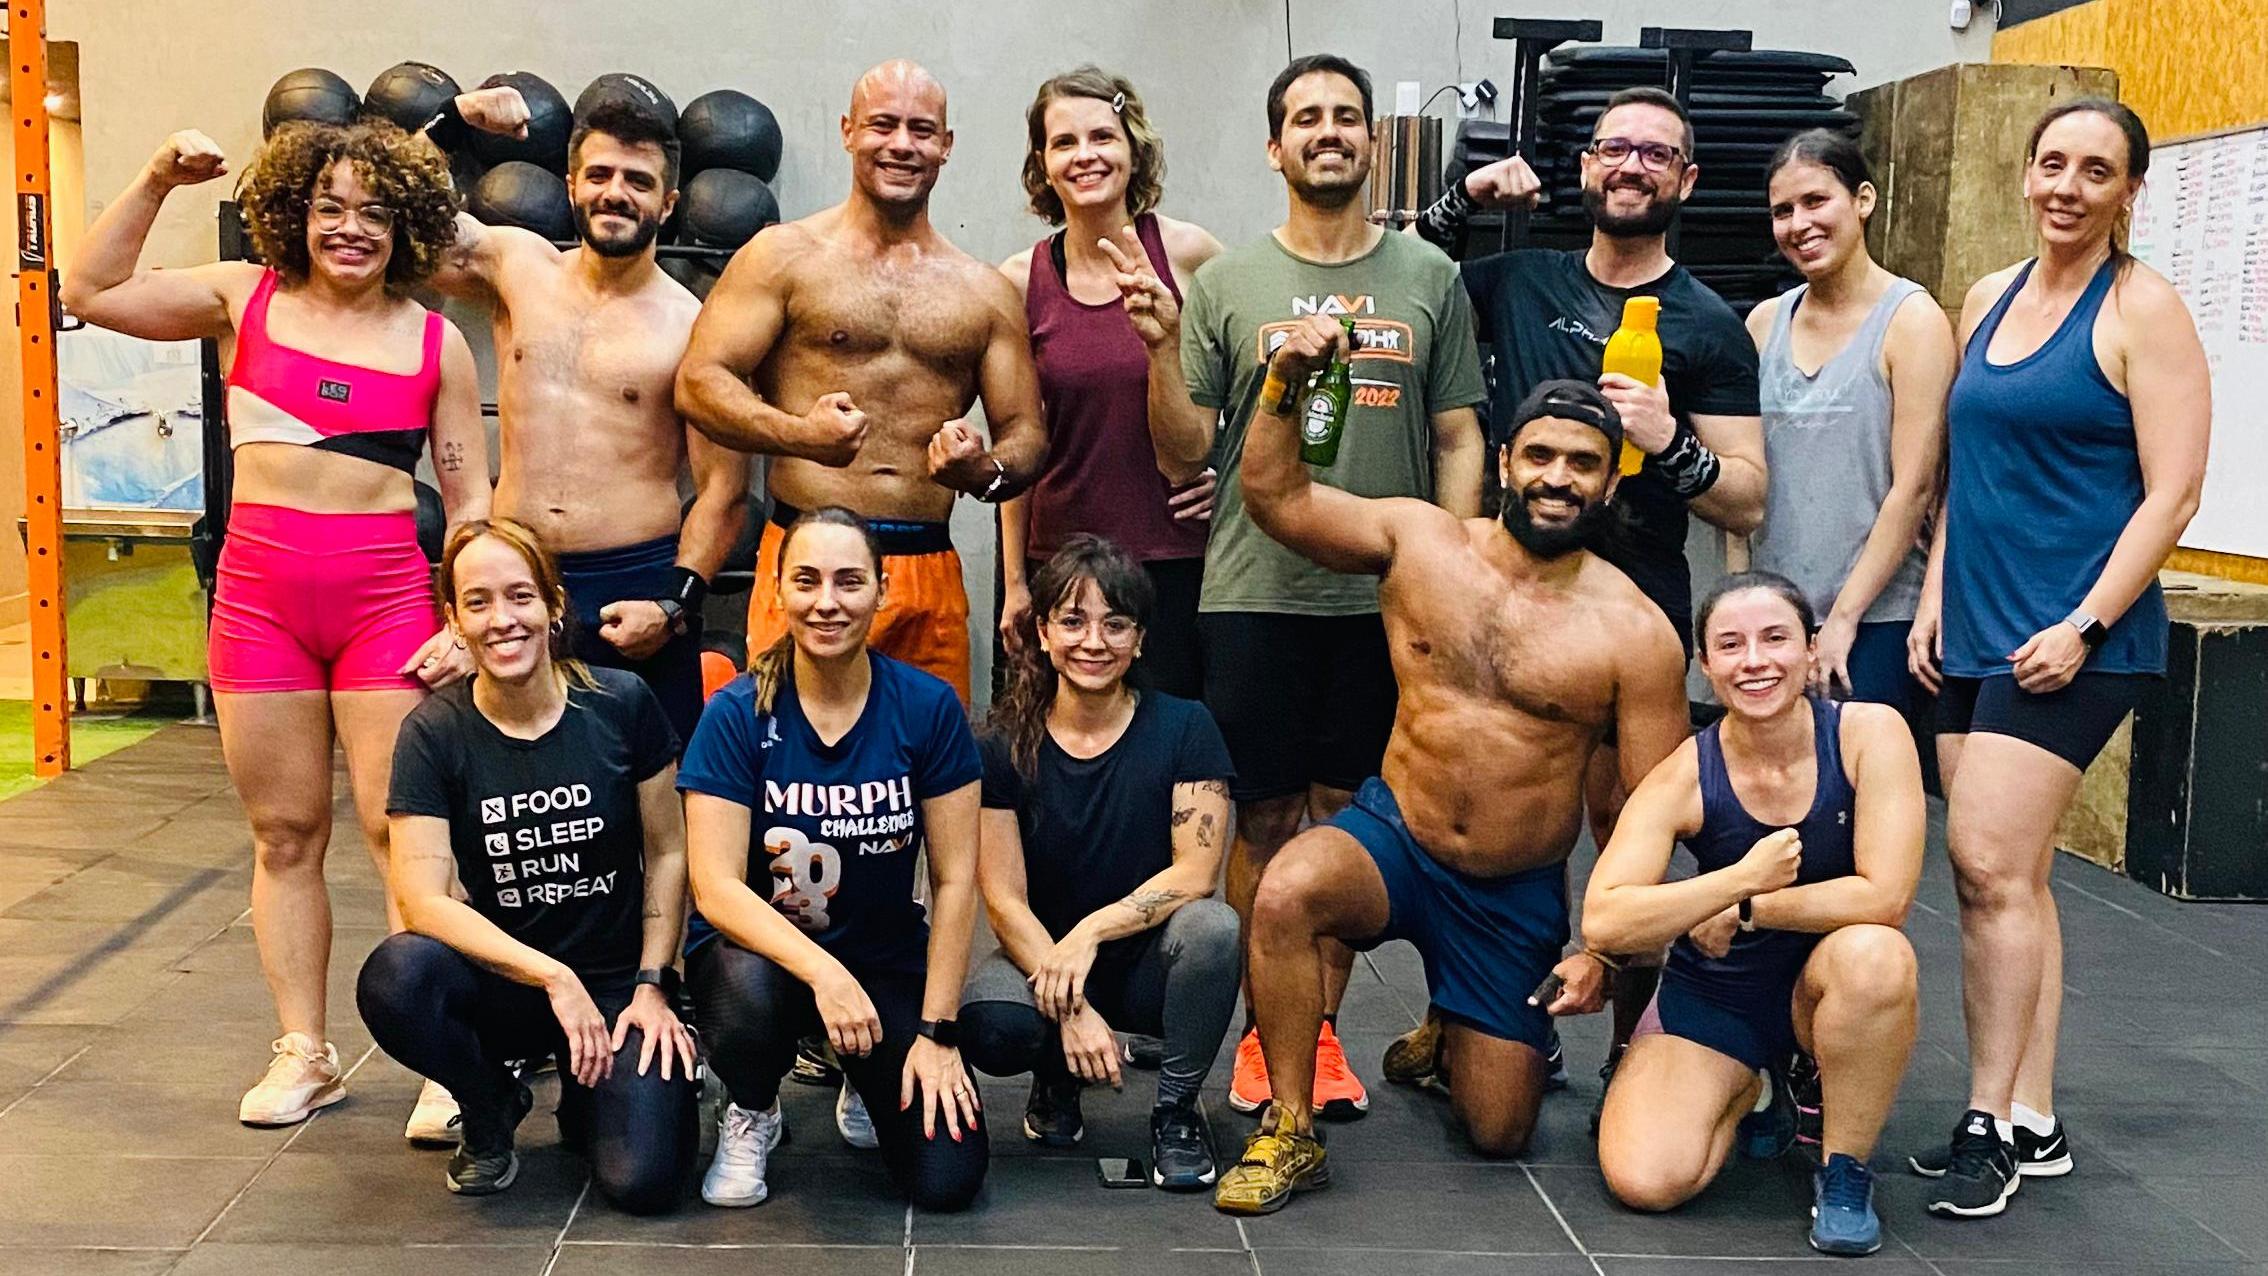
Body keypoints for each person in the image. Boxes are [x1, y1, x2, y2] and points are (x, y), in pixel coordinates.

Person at [61, 122, 490, 1126]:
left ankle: (443, 1057)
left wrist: (467, 621)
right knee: (285, 833)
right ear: (296, 213)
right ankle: (305, 1051)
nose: (350, 229)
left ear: (406, 226)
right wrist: (157, 175)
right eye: (330, 207)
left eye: (374, 212)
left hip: (386, 604)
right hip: (262, 606)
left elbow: (472, 502)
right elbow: (87, 289)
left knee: (401, 830)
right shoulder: (241, 299)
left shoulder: (435, 343)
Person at [1211, 372, 1689, 1216]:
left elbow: (1653, 810)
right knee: (1287, 889)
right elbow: (1276, 497)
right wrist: (1284, 385)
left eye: (1583, 463)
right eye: (1540, 455)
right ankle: (1290, 1126)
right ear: (1505, 463)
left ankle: (1451, 1033)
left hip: (1507, 890)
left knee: (1500, 1131)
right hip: (1397, 837)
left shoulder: (1637, 632)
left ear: (1612, 484)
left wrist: (1605, 953)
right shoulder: (1422, 542)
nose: (1557, 477)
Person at [1404, 84, 1766, 1098]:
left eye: (1657, 153)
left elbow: (1746, 495)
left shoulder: (1710, 324)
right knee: (1490, 801)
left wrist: (1673, 442)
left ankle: (1631, 1038)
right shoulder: (1519, 279)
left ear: (1687, 179)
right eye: (1616, 147)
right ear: (1586, 166)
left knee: (1628, 823)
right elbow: (1402, 279)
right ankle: (1470, 1008)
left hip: (1633, 596)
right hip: (1508, 585)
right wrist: (1463, 195)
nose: (1632, 165)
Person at [1906, 97, 2210, 1219]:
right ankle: (2033, 1118)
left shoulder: (2143, 308)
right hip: (1976, 625)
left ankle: (1986, 1121)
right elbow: (1966, 472)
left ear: (2130, 190)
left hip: (2080, 638)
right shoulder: (1988, 297)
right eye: (2052, 163)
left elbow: (2174, 493)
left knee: (1987, 864)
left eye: (2095, 170)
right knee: (2009, 876)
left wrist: (2083, 625)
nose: (2067, 187)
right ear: (2027, 173)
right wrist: (1934, 597)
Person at [1179, 54, 1489, 1122]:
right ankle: (1262, 1039)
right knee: (1260, 818)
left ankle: (1315, 1041)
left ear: (1371, 143)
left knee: (1346, 823)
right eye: (1306, 117)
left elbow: (1459, 433)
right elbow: (1187, 443)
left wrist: (1452, 562)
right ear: (1276, 147)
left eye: (1347, 116)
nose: (1329, 131)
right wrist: (1158, 341)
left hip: (1384, 605)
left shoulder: (1429, 277)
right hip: (1252, 591)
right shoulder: (1227, 285)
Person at [676, 59, 1047, 705]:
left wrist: (983, 471)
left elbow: (1027, 435)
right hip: (806, 557)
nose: (902, 144)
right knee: (791, 748)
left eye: (921, 130)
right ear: (848, 131)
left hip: (926, 564)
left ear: (946, 145)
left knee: (930, 754)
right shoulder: (782, 256)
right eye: (883, 125)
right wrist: (799, 435)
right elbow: (700, 382)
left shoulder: (985, 291)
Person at [357, 518, 698, 1208]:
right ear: (453, 621)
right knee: (398, 975)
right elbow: (421, 898)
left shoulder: (621, 703)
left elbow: (668, 851)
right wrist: (550, 976)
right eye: (477, 602)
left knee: (644, 1182)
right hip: (508, 984)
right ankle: (490, 1106)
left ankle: (587, 1094)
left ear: (554, 604)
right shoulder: (433, 732)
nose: (502, 620)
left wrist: (654, 985)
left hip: (613, 986)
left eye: (520, 596)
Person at [1584, 571, 1924, 1256]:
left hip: (1824, 984)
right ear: (1706, 667)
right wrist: (1732, 881)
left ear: (1811, 649)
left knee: (1878, 956)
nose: (1755, 661)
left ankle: (1844, 1169)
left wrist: (1747, 906)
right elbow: (1604, 919)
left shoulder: (1869, 734)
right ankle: (1755, 1089)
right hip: (1720, 993)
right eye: (1731, 645)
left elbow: (1883, 896)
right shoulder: (1687, 771)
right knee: (1645, 1179)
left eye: (1775, 639)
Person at [681, 506, 990, 1212]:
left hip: (881, 961)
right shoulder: (737, 713)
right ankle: (753, 1105)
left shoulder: (928, 707)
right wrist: (825, 975)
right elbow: (715, 887)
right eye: (807, 581)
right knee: (745, 992)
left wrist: (938, 1031)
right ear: (778, 590)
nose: (828, 602)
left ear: (883, 589)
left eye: (850, 581)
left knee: (947, 1180)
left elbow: (954, 881)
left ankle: (862, 1069)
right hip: (763, 962)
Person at [431, 86, 749, 752]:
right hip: (518, 572)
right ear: (572, 184)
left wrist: (673, 605)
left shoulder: (694, 326)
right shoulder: (517, 265)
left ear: (668, 203)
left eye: (639, 181)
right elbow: (390, 213)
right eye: (600, 174)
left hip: (634, 581)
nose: (615, 193)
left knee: (652, 787)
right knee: (515, 773)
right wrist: (453, 124)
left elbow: (724, 489)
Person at [959, 535, 1240, 1189]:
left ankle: (1176, 1112)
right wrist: (1073, 1008)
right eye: (1073, 621)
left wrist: (1091, 931)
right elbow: (1003, 899)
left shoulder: (1186, 726)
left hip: (1146, 961)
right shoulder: (1002, 744)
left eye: (1115, 624)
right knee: (992, 1025)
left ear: (1139, 640)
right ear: (1044, 633)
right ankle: (1056, 1076)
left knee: (1215, 930)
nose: (1094, 642)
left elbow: (1196, 873)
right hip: (1045, 959)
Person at [995, 66, 1223, 698]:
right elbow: (1018, 440)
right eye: (1064, 142)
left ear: (1134, 148)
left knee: (1168, 739)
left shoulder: (1191, 255)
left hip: (1175, 559)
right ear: (1042, 164)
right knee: (1052, 743)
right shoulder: (1019, 280)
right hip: (1060, 564)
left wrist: (1227, 476)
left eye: (1102, 136)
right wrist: (1015, 582)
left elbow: (1259, 384)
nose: (1085, 155)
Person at [1745, 130, 1955, 731]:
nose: (1799, 224)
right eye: (1783, 211)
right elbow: (1747, 482)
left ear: (1863, 200)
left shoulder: (1912, 322)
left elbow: (1915, 488)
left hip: (1877, 618)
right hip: (1777, 619)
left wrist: (1843, 618)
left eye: (1816, 201)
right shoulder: (1763, 324)